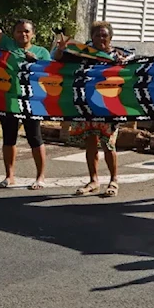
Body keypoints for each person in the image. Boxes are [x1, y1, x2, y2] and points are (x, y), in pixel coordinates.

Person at [0, 0, 51, 190]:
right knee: (9, 138)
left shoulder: (41, 52)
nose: (23, 34)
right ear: (14, 33)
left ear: (32, 34)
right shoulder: (7, 45)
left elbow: (51, 76)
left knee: (35, 138)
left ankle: (40, 177)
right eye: (19, 31)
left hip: (31, 102)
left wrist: (36, 63)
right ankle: (10, 176)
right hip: (8, 99)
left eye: (27, 31)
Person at [54, 21, 128, 198]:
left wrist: (123, 63)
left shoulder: (119, 55)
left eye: (104, 35)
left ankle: (114, 180)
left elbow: (131, 69)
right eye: (97, 35)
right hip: (85, 105)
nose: (101, 38)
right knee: (90, 143)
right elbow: (57, 60)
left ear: (110, 37)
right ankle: (93, 180)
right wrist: (61, 48)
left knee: (108, 144)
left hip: (108, 107)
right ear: (91, 37)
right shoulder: (81, 53)